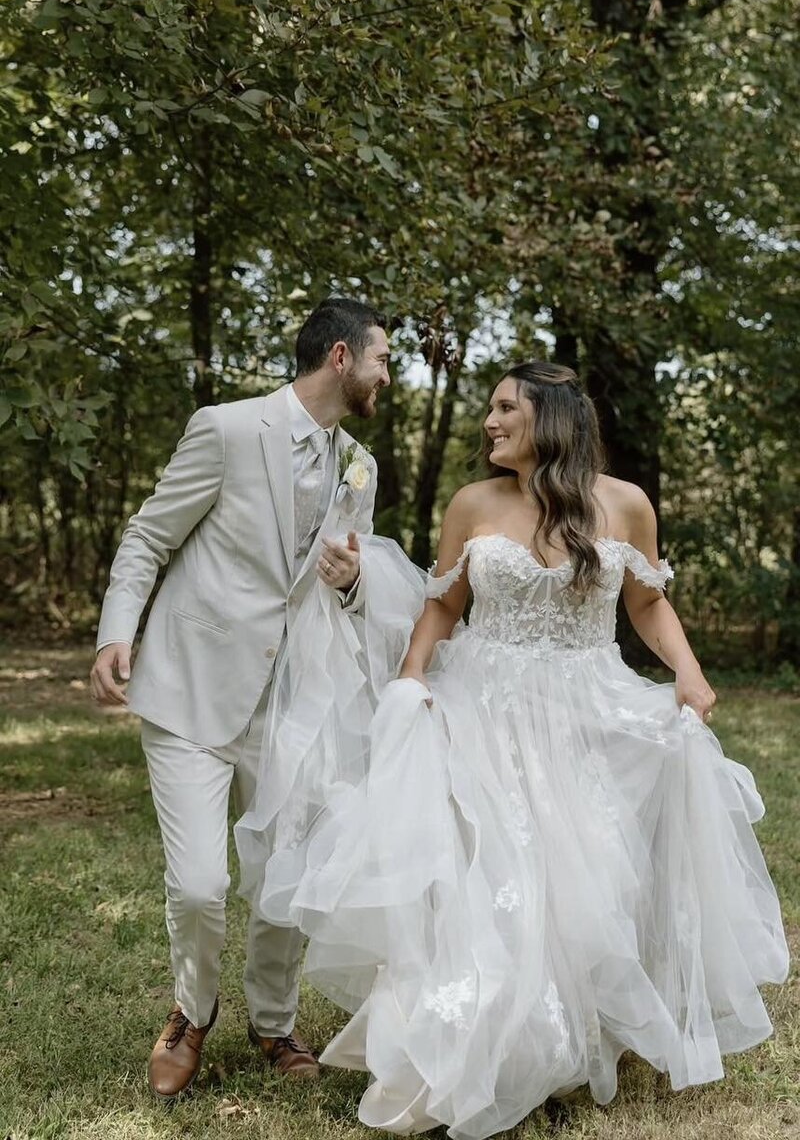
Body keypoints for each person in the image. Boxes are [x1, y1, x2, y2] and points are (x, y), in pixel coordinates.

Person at [239, 359, 789, 1140]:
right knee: (496, 879)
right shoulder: (472, 504)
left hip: (586, 704)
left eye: (505, 408)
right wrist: (410, 682)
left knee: (584, 876)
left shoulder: (625, 505)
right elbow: (442, 606)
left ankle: (573, 1037)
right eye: (490, 409)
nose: (490, 421)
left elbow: (646, 600)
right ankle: (491, 1044)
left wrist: (690, 673)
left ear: (552, 415)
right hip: (485, 705)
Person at [89, 297, 390, 1100]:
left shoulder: (359, 465)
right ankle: (191, 1011)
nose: (385, 375)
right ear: (338, 357)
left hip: (292, 700)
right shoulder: (224, 428)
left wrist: (354, 583)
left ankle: (274, 1017)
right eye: (380, 359)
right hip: (191, 686)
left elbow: (350, 584)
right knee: (199, 885)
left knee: (284, 876)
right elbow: (150, 534)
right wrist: (117, 628)